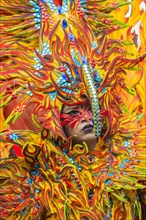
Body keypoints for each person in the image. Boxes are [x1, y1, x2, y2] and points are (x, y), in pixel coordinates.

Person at [0, 0, 145, 219]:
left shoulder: (131, 159)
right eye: (74, 112)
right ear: (55, 121)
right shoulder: (33, 186)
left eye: (89, 108)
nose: (87, 117)